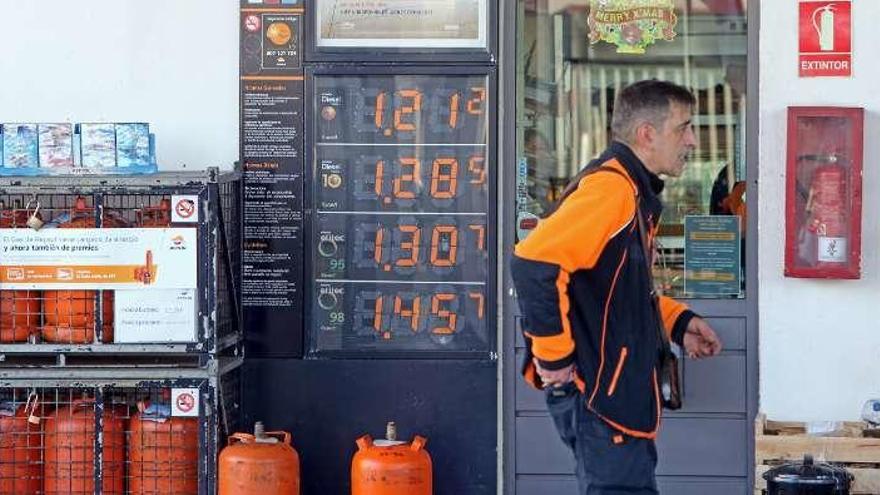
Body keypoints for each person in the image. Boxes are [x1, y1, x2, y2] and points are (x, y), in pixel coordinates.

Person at [510, 80, 723, 494]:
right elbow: (534, 263)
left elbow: (617, 290)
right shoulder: (612, 191)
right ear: (647, 134)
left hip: (615, 400)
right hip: (602, 402)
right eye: (684, 127)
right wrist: (554, 362)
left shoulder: (630, 190)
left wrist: (679, 322)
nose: (694, 140)